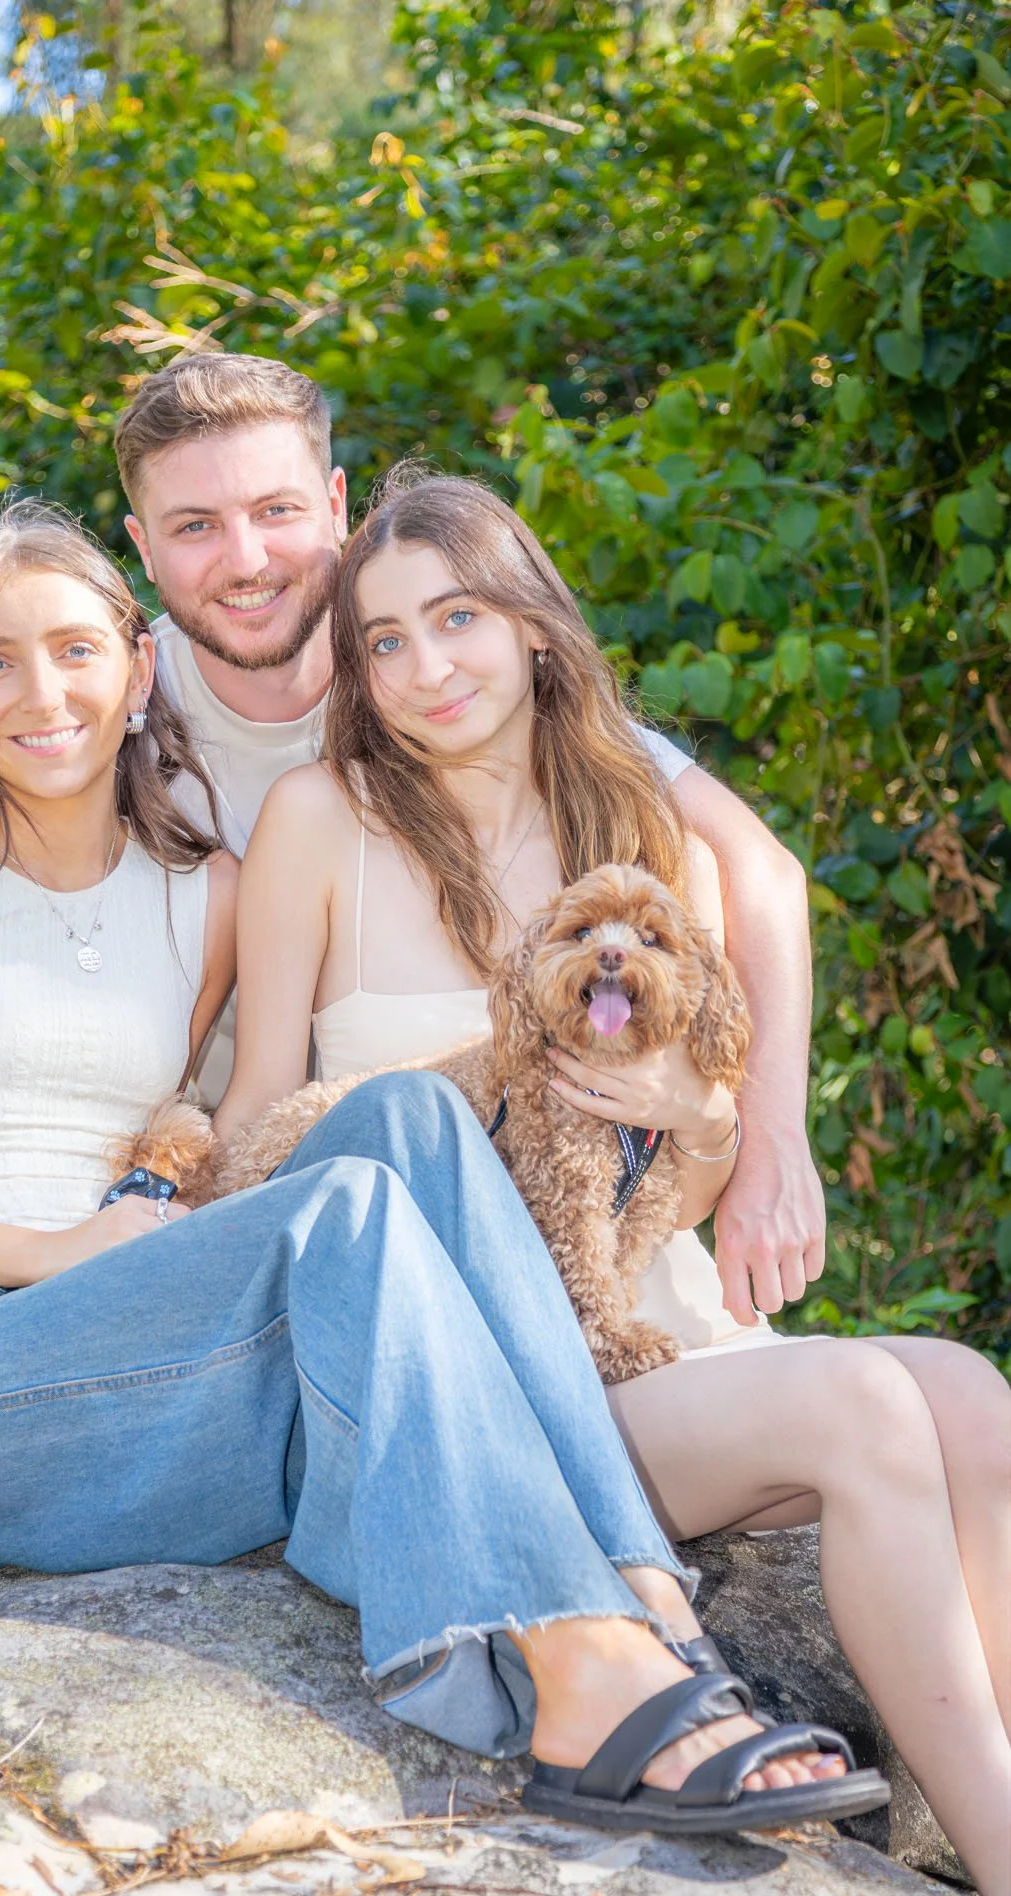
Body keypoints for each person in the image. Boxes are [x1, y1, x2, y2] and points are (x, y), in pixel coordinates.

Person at [0, 498, 883, 1840]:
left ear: (137, 669)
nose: (39, 693)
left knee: (413, 1120)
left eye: (71, 651)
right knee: (347, 1205)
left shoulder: (209, 893)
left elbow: (237, 1122)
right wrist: (44, 1253)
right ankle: (581, 1675)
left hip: (147, 1352)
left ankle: (643, 1594)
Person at [217, 471, 1011, 1896]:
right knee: (863, 1406)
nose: (422, 667)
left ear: (530, 625)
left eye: (454, 617)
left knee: (969, 1391)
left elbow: (688, 1172)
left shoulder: (646, 827)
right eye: (381, 639)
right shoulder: (316, 823)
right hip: (490, 1382)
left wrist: (697, 1114)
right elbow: (261, 1121)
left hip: (649, 1328)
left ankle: (978, 1818)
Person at [114, 350, 821, 1337]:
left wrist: (758, 1135)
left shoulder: (517, 728)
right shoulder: (111, 720)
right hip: (334, 1223)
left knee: (951, 1411)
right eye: (196, 525)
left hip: (590, 1259)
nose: (245, 559)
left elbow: (759, 871)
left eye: (274, 510)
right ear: (143, 547)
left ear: (334, 506)